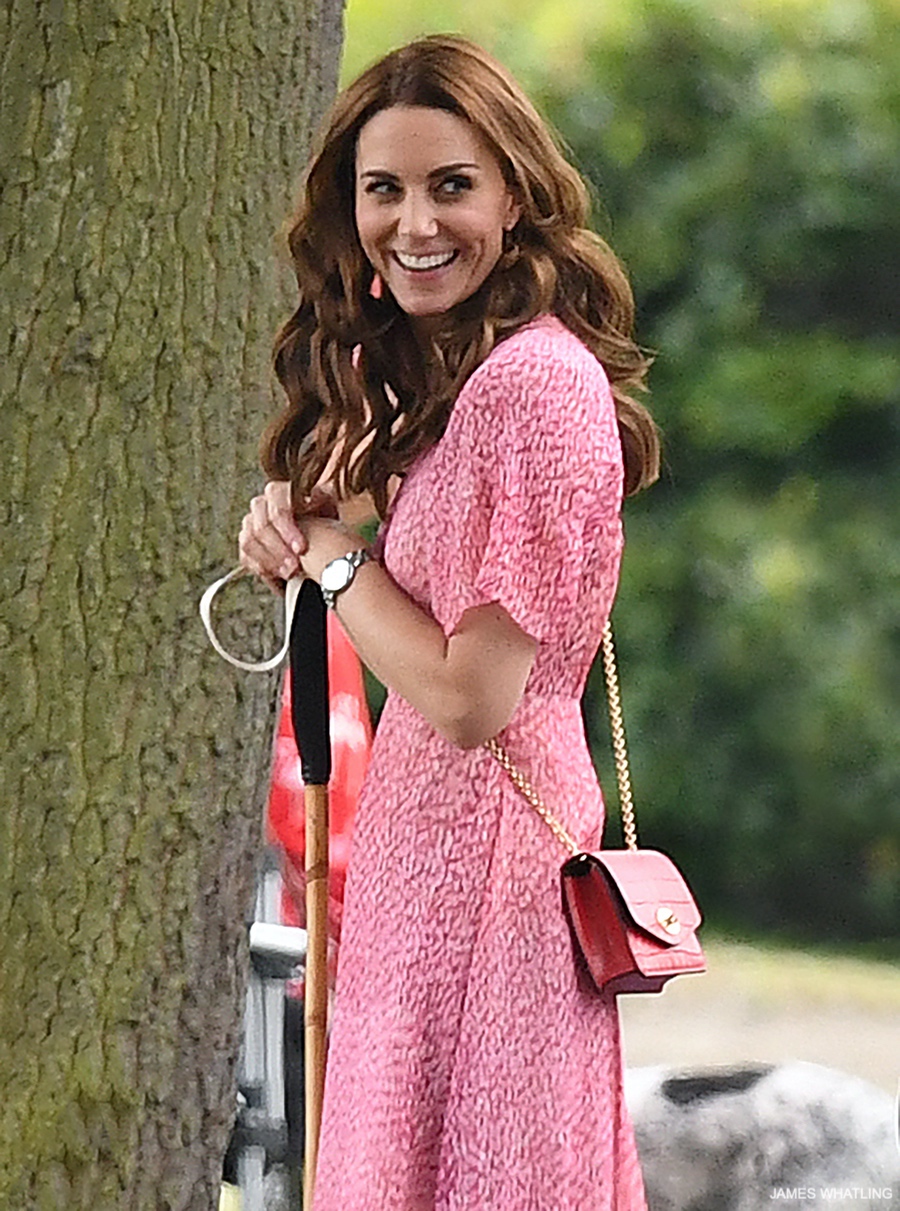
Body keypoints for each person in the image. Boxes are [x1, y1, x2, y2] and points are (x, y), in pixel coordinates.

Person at [238, 34, 659, 1211]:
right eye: (385, 189)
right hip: (428, 881)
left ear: (516, 195)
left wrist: (330, 556)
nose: (414, 221)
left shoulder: (532, 385)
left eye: (451, 184)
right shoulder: (468, 386)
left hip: (491, 891)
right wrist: (303, 527)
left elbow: (474, 697)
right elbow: (379, 567)